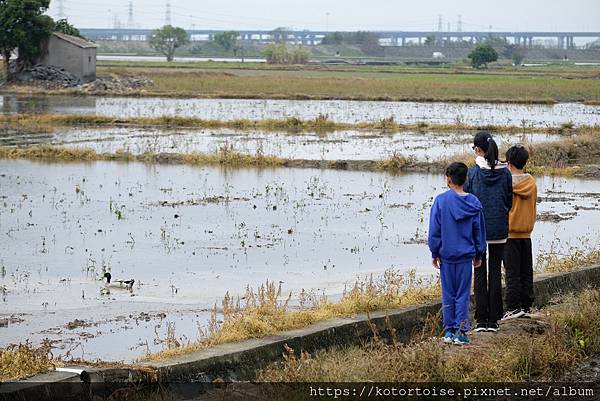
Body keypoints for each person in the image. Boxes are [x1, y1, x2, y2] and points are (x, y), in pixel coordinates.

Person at [429, 162, 486, 346]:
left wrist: (434, 252)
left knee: (448, 294)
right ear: (466, 179)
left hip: (446, 256)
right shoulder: (474, 202)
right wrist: (479, 254)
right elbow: (479, 231)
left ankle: (449, 331)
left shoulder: (440, 201)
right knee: (462, 294)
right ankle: (461, 332)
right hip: (465, 257)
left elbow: (434, 231)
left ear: (449, 179)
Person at [464, 132, 512, 333]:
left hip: (478, 231)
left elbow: (467, 200)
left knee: (480, 271)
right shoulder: (506, 173)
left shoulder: (473, 173)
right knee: (495, 272)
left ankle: (481, 319)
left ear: (477, 149)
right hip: (499, 229)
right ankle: (494, 319)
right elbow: (509, 201)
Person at [502, 145, 537, 320]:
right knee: (526, 271)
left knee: (512, 273)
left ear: (508, 163)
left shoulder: (506, 183)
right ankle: (526, 306)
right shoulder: (531, 181)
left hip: (509, 234)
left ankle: (513, 308)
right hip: (526, 233)